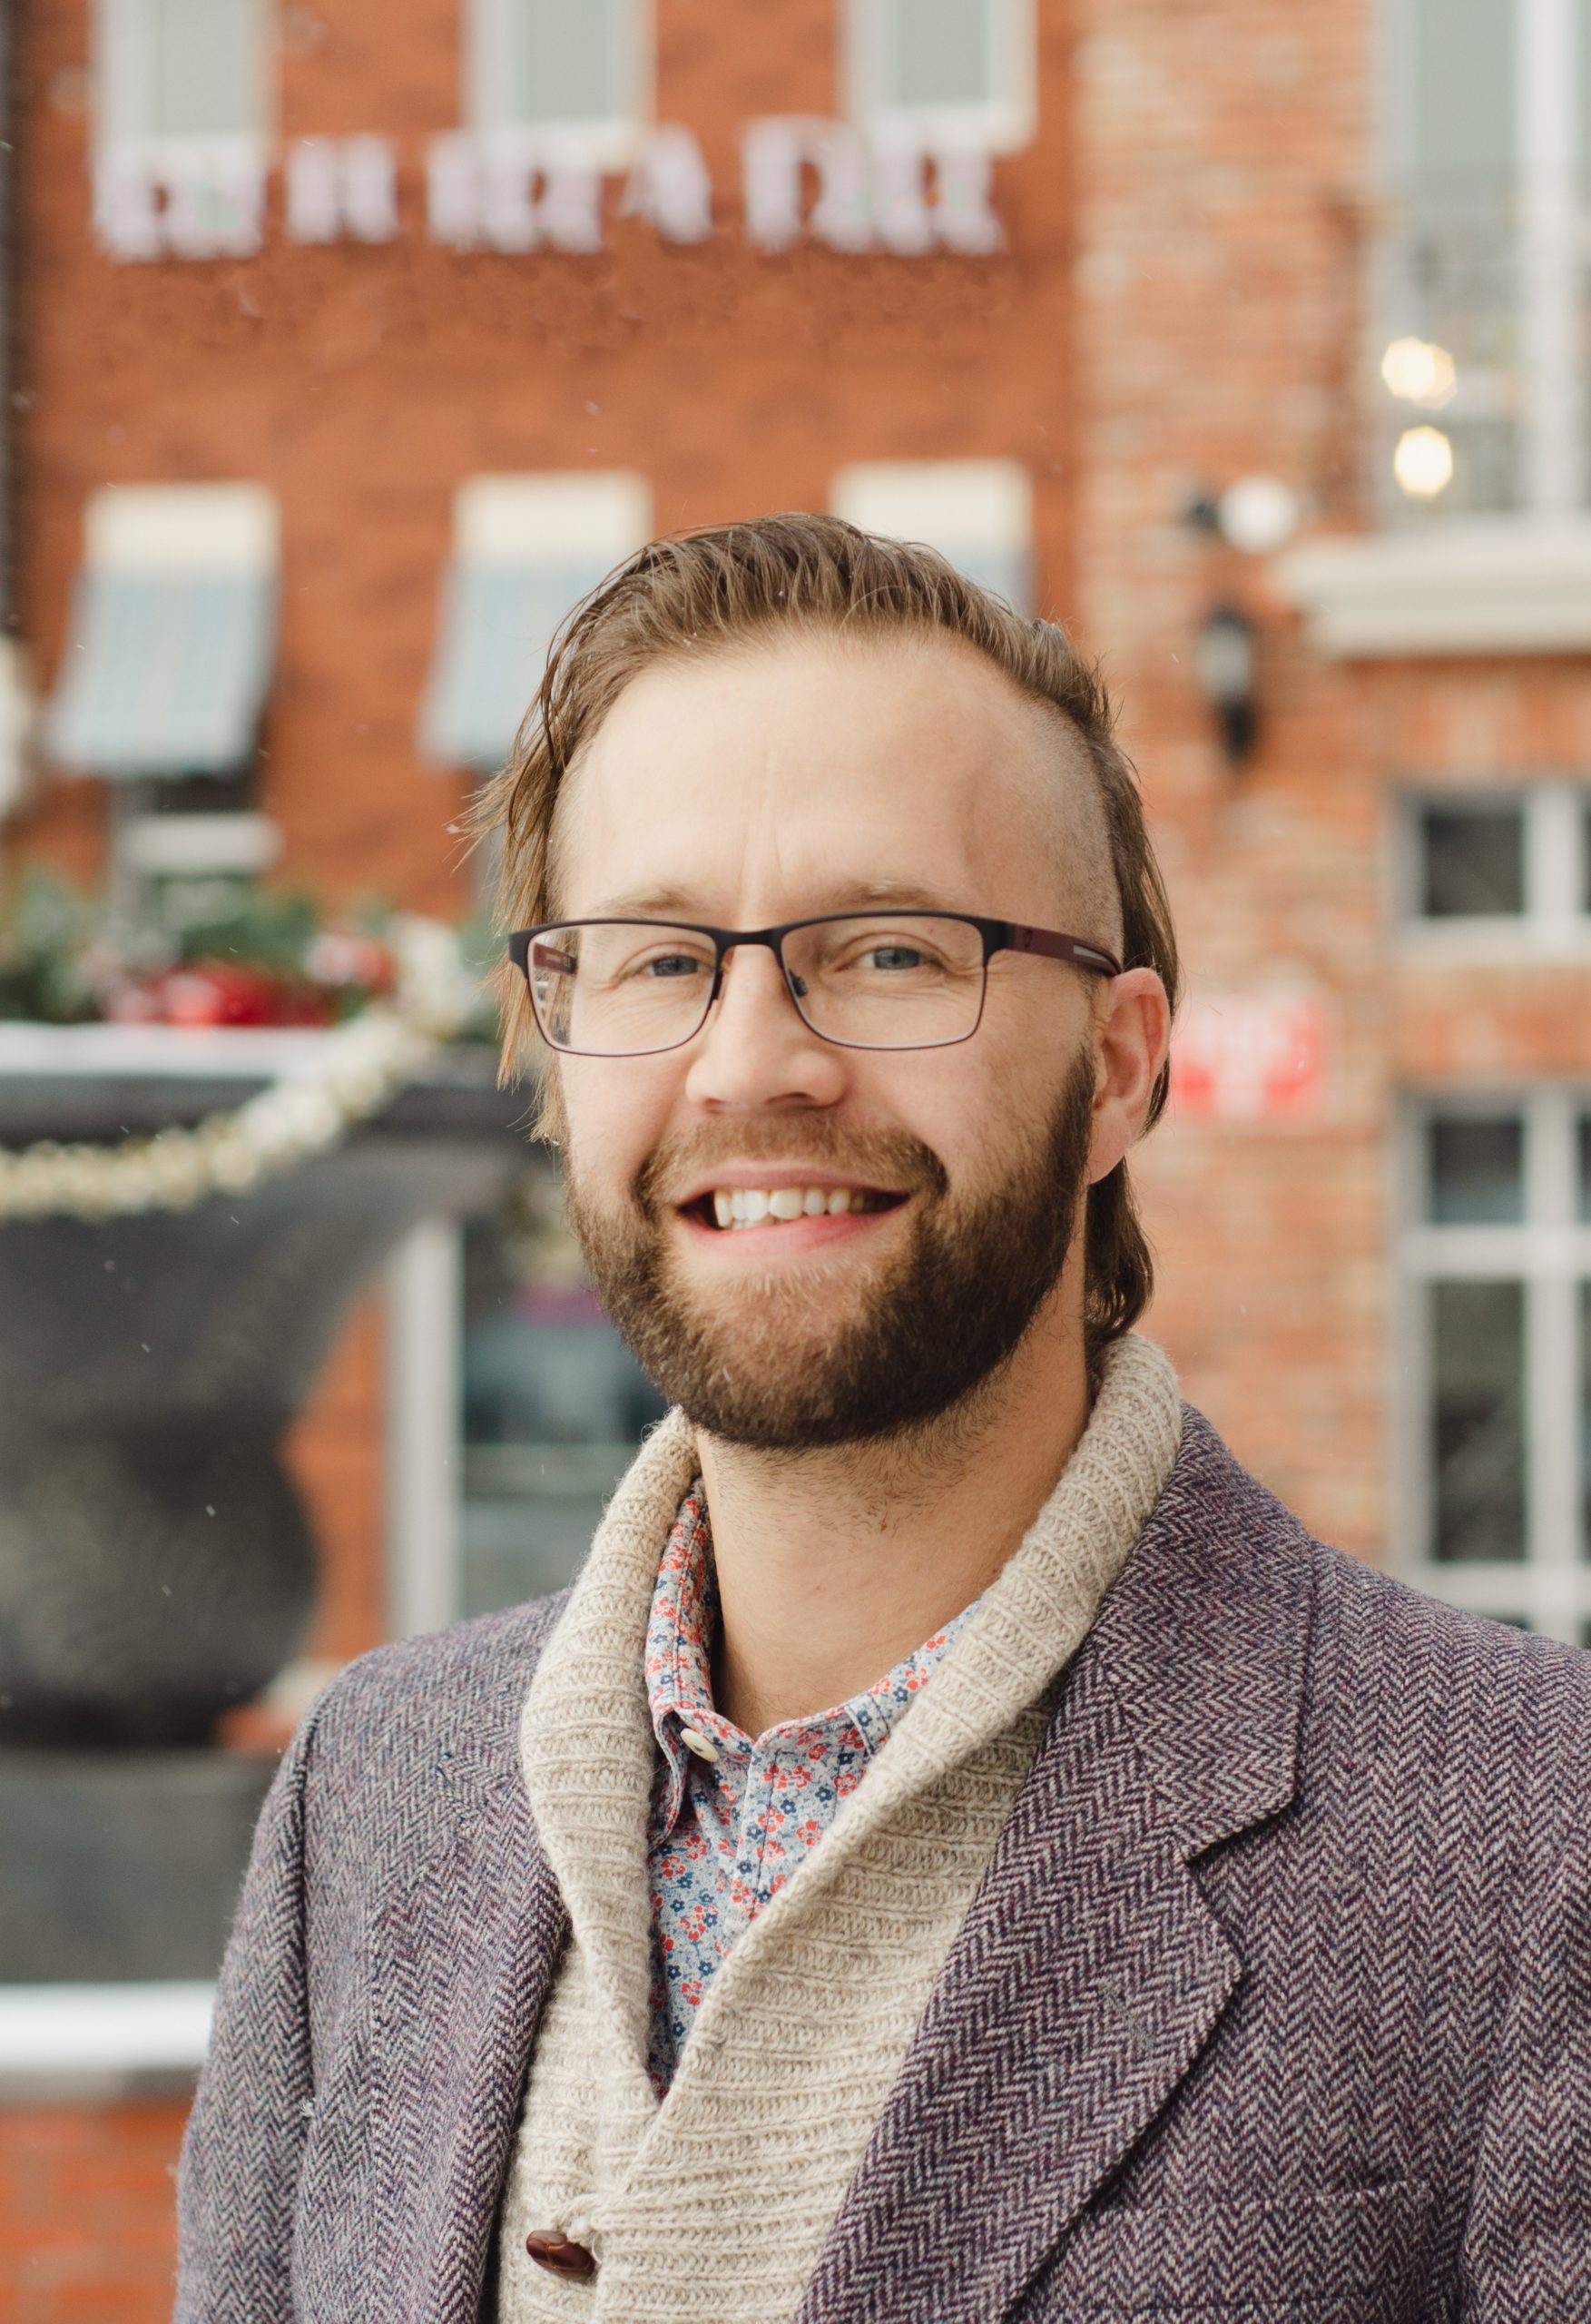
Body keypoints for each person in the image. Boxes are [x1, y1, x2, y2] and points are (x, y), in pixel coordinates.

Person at [175, 517, 1591, 2323]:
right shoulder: (374, 1787)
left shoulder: (1531, 1827)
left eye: (891, 951)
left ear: (1117, 1063)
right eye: (658, 956)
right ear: (554, 1051)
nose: (754, 1059)